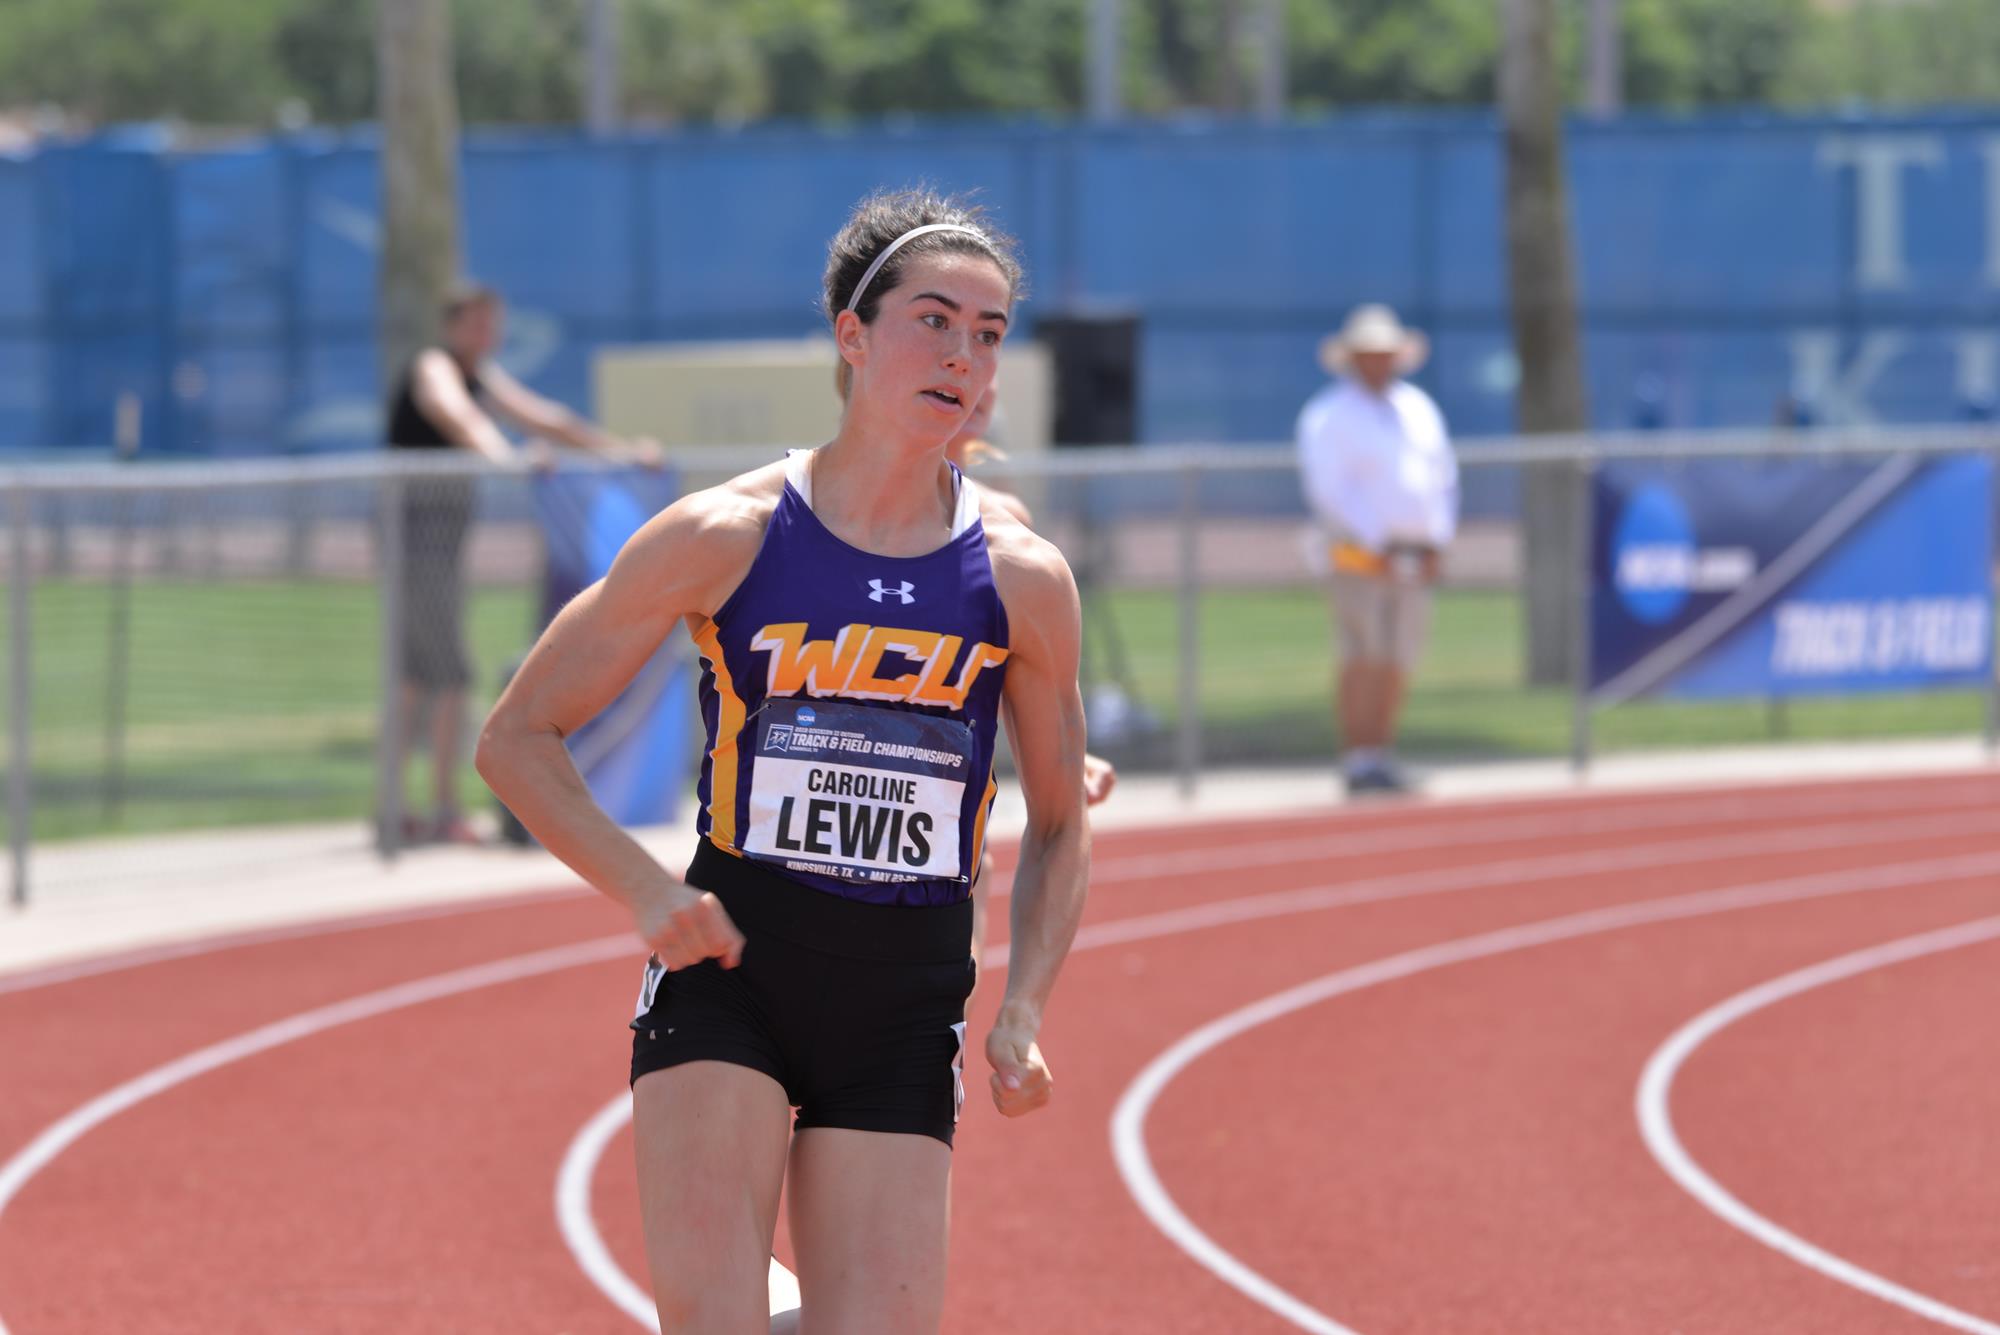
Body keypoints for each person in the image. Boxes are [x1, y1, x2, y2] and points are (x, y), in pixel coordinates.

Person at [476, 191, 1091, 1335]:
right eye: (934, 320)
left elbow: (1059, 821)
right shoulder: (726, 534)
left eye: (990, 331)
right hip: (735, 967)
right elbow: (514, 737)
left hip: (907, 992)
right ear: (851, 337)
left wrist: (1025, 1009)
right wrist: (648, 890)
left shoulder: (1020, 576)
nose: (964, 354)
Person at [384, 282, 654, 845]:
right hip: (415, 535)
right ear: (453, 325)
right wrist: (506, 460)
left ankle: (403, 808)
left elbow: (544, 417)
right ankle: (435, 811)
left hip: (439, 538)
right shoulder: (436, 365)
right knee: (443, 673)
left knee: (419, 675)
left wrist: (618, 451)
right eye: (477, 325)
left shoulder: (478, 372)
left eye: (494, 325)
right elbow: (454, 414)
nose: (488, 336)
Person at [940, 387, 1116, 985]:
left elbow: (1013, 671)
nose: (980, 382)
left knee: (945, 1012)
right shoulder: (840, 510)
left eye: (989, 345)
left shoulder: (1007, 523)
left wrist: (1066, 749)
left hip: (950, 829)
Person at [1295, 303, 1458, 795]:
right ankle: (1359, 756)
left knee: (1400, 655)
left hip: (1413, 553)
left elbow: (1443, 476)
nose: (1378, 362)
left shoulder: (1418, 409)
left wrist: (1437, 539)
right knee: (1363, 653)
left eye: (1385, 353)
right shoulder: (1329, 416)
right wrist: (1378, 541)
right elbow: (1329, 490)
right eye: (1369, 354)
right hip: (1358, 556)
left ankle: (1382, 752)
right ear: (1351, 358)